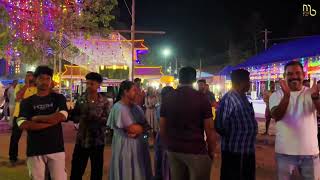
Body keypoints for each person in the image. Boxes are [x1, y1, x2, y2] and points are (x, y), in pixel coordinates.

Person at [160, 67, 217, 180]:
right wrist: (211, 151)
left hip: (174, 150)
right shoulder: (202, 98)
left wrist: (167, 146)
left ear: (179, 78)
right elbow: (209, 130)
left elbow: (162, 127)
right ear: (194, 79)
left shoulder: (168, 98)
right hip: (196, 150)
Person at [269, 61, 320, 179]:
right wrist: (287, 95)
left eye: (298, 73)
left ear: (303, 75)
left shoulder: (311, 93)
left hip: (310, 153)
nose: (294, 76)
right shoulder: (276, 96)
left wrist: (316, 98)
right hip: (284, 154)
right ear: (284, 77)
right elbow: (277, 115)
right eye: (290, 74)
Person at [17, 66, 68, 180]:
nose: (45, 82)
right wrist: (52, 121)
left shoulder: (58, 98)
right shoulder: (27, 102)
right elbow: (23, 124)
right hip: (35, 150)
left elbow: (62, 116)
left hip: (56, 148)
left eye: (47, 79)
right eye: (41, 78)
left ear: (51, 80)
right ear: (35, 80)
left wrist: (37, 118)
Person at [215, 69, 258, 180]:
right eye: (248, 81)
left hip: (247, 150)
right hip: (234, 152)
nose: (250, 84)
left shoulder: (243, 97)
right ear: (241, 82)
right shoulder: (229, 99)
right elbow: (220, 125)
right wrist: (233, 137)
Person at [108, 80, 152, 180]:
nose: (137, 92)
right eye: (134, 90)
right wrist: (141, 129)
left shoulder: (137, 108)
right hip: (126, 148)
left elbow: (146, 126)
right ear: (125, 92)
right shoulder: (120, 108)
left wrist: (141, 129)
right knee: (127, 172)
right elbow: (133, 129)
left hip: (138, 148)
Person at [70, 72, 109, 180]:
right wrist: (74, 116)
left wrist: (97, 120)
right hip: (82, 139)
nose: (88, 86)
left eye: (91, 84)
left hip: (97, 140)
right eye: (87, 83)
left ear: (98, 85)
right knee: (76, 169)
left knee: (96, 171)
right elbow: (75, 115)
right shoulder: (81, 99)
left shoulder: (104, 102)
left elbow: (108, 119)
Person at [9, 71, 37, 166]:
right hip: (19, 115)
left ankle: (33, 158)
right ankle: (13, 158)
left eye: (30, 76)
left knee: (33, 138)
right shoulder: (20, 86)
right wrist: (26, 85)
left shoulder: (36, 89)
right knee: (15, 138)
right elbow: (18, 97)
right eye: (27, 76)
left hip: (31, 117)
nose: (28, 77)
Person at [154, 86, 174, 180]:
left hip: (163, 135)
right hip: (168, 135)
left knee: (161, 158)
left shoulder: (160, 107)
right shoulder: (161, 107)